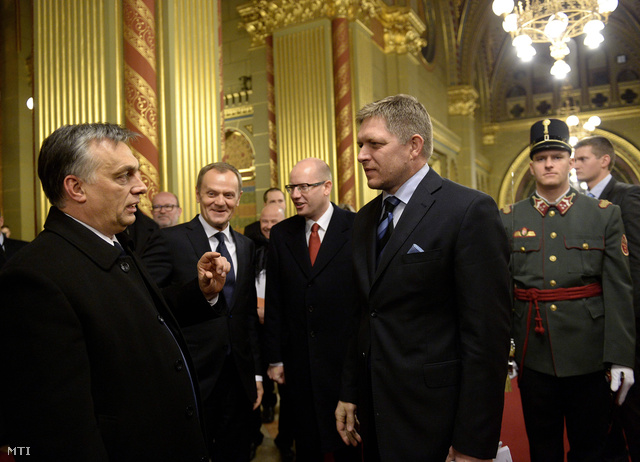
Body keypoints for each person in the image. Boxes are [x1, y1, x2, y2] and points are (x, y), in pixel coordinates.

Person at [0, 123, 231, 461]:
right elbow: (61, 429)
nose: (141, 188)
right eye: (124, 176)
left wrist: (200, 292)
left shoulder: (114, 241)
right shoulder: (34, 277)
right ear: (76, 187)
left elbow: (137, 315)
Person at [335, 94, 512, 462]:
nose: (362, 155)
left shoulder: (467, 210)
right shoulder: (366, 219)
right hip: (377, 412)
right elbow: (363, 315)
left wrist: (473, 444)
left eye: (375, 144)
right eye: (361, 144)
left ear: (414, 146)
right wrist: (350, 391)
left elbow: (486, 339)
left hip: (437, 418)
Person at [500, 119, 636, 462]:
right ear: (531, 166)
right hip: (534, 353)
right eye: (541, 157)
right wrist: (504, 348)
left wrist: (620, 356)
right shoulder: (508, 219)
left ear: (569, 162)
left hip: (589, 354)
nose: (549, 163)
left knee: (591, 448)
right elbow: (501, 291)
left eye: (557, 156)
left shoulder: (604, 215)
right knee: (542, 447)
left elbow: (618, 289)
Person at [161, 162, 263, 462]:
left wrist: (255, 373)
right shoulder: (169, 240)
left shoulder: (246, 246)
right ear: (197, 194)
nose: (220, 202)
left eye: (229, 195)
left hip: (239, 378)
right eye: (212, 193)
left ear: (239, 198)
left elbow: (245, 317)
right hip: (193, 374)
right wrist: (199, 292)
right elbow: (150, 303)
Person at [264, 158, 359, 461]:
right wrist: (275, 357)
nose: (295, 194)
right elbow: (275, 299)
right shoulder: (282, 234)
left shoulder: (356, 228)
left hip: (345, 359)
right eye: (292, 187)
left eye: (304, 187)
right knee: (308, 442)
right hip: (298, 361)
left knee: (350, 442)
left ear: (327, 187)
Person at [574, 135, 640, 461]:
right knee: (604, 428)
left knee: (634, 418)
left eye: (582, 158)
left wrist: (627, 332)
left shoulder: (626, 197)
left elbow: (634, 268)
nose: (574, 164)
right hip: (596, 333)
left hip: (627, 330)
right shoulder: (582, 204)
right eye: (574, 158)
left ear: (604, 161)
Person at [249, 202, 286, 459]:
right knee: (256, 380)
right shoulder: (251, 248)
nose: (268, 226)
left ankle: (286, 442)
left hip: (283, 333)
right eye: (265, 221)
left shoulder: (289, 247)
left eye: (274, 222)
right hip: (254, 329)